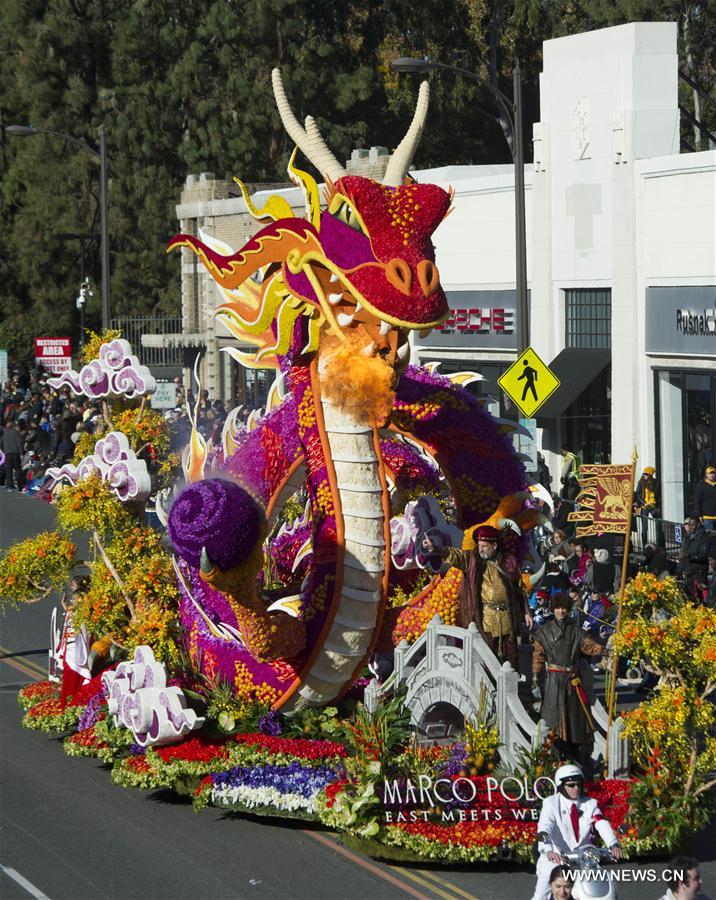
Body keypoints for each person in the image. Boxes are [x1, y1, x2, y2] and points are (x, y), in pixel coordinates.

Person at [424, 525, 533, 676]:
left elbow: (519, 588)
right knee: (487, 659)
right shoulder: (472, 560)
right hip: (485, 619)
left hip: (507, 618)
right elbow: (455, 555)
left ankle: (511, 692)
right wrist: (435, 548)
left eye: (484, 546)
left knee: (511, 658)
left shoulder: (509, 561)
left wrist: (526, 612)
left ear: (494, 546)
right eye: (479, 546)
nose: (480, 549)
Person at [531, 594, 605, 765]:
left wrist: (609, 649)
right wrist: (535, 679)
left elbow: (591, 647)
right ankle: (554, 755)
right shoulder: (544, 632)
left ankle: (576, 756)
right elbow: (538, 657)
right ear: (553, 610)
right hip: (553, 682)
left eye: (564, 608)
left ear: (569, 610)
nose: (561, 611)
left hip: (572, 681)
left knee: (574, 720)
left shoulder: (576, 631)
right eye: (558, 608)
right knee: (553, 719)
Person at [531, 763, 621, 900]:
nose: (576, 788)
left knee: (608, 885)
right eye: (571, 785)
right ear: (561, 786)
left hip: (583, 859)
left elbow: (601, 822)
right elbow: (544, 829)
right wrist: (547, 849)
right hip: (556, 858)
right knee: (542, 890)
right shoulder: (551, 803)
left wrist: (613, 843)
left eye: (579, 784)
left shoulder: (590, 803)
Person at [678, 517, 710, 598]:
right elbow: (683, 554)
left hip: (699, 572)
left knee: (699, 597)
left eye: (692, 525)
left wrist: (688, 555)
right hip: (688, 570)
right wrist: (678, 571)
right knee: (689, 596)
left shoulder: (703, 537)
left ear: (698, 525)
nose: (690, 527)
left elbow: (703, 556)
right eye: (689, 525)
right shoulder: (687, 537)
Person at [635, 466, 662, 545]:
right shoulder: (641, 482)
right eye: (644, 474)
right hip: (644, 507)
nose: (644, 475)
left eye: (646, 474)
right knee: (644, 528)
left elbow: (658, 495)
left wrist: (658, 506)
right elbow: (638, 494)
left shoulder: (656, 482)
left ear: (651, 475)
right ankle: (644, 546)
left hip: (653, 506)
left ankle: (660, 545)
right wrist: (644, 503)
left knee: (658, 525)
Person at [1, 421, 24, 491]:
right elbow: (19, 444)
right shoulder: (16, 434)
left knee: (9, 470)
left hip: (7, 453)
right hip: (15, 453)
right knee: (17, 468)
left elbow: (1, 443)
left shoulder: (5, 434)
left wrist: (4, 450)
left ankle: (9, 485)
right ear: (15, 427)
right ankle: (17, 481)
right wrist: (21, 453)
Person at [693, 465, 716, 532]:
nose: (712, 475)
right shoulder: (701, 486)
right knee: (710, 537)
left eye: (713, 473)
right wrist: (699, 515)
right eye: (710, 473)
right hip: (707, 517)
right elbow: (697, 501)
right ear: (706, 475)